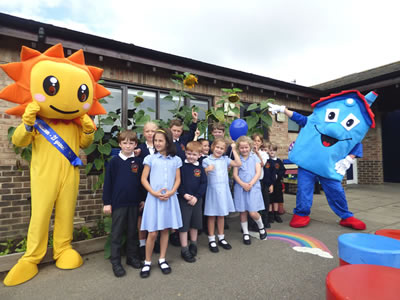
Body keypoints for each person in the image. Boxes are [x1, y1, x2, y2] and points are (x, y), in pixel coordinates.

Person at [140, 129, 182, 278]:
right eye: (155, 140)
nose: (157, 143)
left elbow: (178, 179)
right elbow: (144, 179)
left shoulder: (176, 160)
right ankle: (147, 261)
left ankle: (162, 259)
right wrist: (153, 192)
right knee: (152, 232)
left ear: (167, 142)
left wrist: (171, 192)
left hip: (169, 199)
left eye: (160, 140)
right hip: (154, 199)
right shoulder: (150, 159)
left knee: (165, 230)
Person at [102, 130, 144, 277]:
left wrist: (143, 199)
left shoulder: (138, 163)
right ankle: (116, 261)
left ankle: (132, 257)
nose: (128, 146)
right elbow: (108, 184)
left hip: (133, 203)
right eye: (125, 143)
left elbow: (141, 183)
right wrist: (107, 202)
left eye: (131, 143)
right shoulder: (113, 162)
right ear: (119, 144)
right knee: (117, 232)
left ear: (135, 145)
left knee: (133, 231)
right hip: (118, 204)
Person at [202, 138, 241, 253]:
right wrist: (206, 170)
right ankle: (211, 239)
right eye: (217, 147)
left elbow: (238, 163)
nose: (219, 150)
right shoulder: (206, 160)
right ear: (213, 147)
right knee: (211, 215)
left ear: (224, 150)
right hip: (212, 191)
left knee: (221, 215)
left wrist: (234, 150)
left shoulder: (225, 159)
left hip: (223, 191)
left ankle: (221, 237)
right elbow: (199, 174)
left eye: (222, 148)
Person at [233, 136, 268, 245]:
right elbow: (235, 174)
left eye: (246, 147)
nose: (244, 150)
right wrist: (243, 184)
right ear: (239, 148)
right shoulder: (237, 159)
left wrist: (250, 184)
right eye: (242, 148)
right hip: (241, 187)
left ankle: (261, 228)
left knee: (253, 212)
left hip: (253, 187)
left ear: (250, 147)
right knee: (243, 211)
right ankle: (246, 232)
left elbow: (258, 172)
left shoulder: (254, 158)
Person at [178, 141, 207, 262]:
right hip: (184, 200)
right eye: (189, 153)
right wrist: (184, 194)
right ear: (185, 153)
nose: (191, 156)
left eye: (194, 154)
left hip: (196, 200)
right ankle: (184, 248)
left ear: (199, 155)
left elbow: (204, 183)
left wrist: (196, 196)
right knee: (184, 225)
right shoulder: (181, 168)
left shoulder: (200, 168)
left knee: (195, 224)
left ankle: (193, 244)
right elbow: (178, 183)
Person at [136, 121, 159, 259]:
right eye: (147, 131)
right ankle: (142, 244)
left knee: (156, 216)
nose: (150, 134)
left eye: (153, 131)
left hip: (157, 188)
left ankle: (154, 241)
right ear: (143, 133)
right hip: (143, 188)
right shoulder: (138, 149)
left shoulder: (161, 148)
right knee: (142, 217)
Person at [251, 133, 271, 228]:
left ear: (261, 143)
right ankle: (252, 223)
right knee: (252, 203)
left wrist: (257, 153)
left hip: (260, 181)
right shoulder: (248, 152)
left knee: (263, 201)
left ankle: (264, 221)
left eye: (258, 141)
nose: (256, 142)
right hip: (250, 181)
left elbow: (262, 164)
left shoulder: (263, 154)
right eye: (254, 140)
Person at [268, 144, 286, 224]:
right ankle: (270, 214)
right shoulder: (267, 161)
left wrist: (278, 175)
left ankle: (276, 214)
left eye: (274, 150)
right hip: (269, 183)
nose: (272, 152)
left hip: (277, 183)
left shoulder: (278, 161)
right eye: (271, 150)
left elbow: (282, 170)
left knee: (276, 199)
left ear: (276, 151)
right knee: (270, 199)